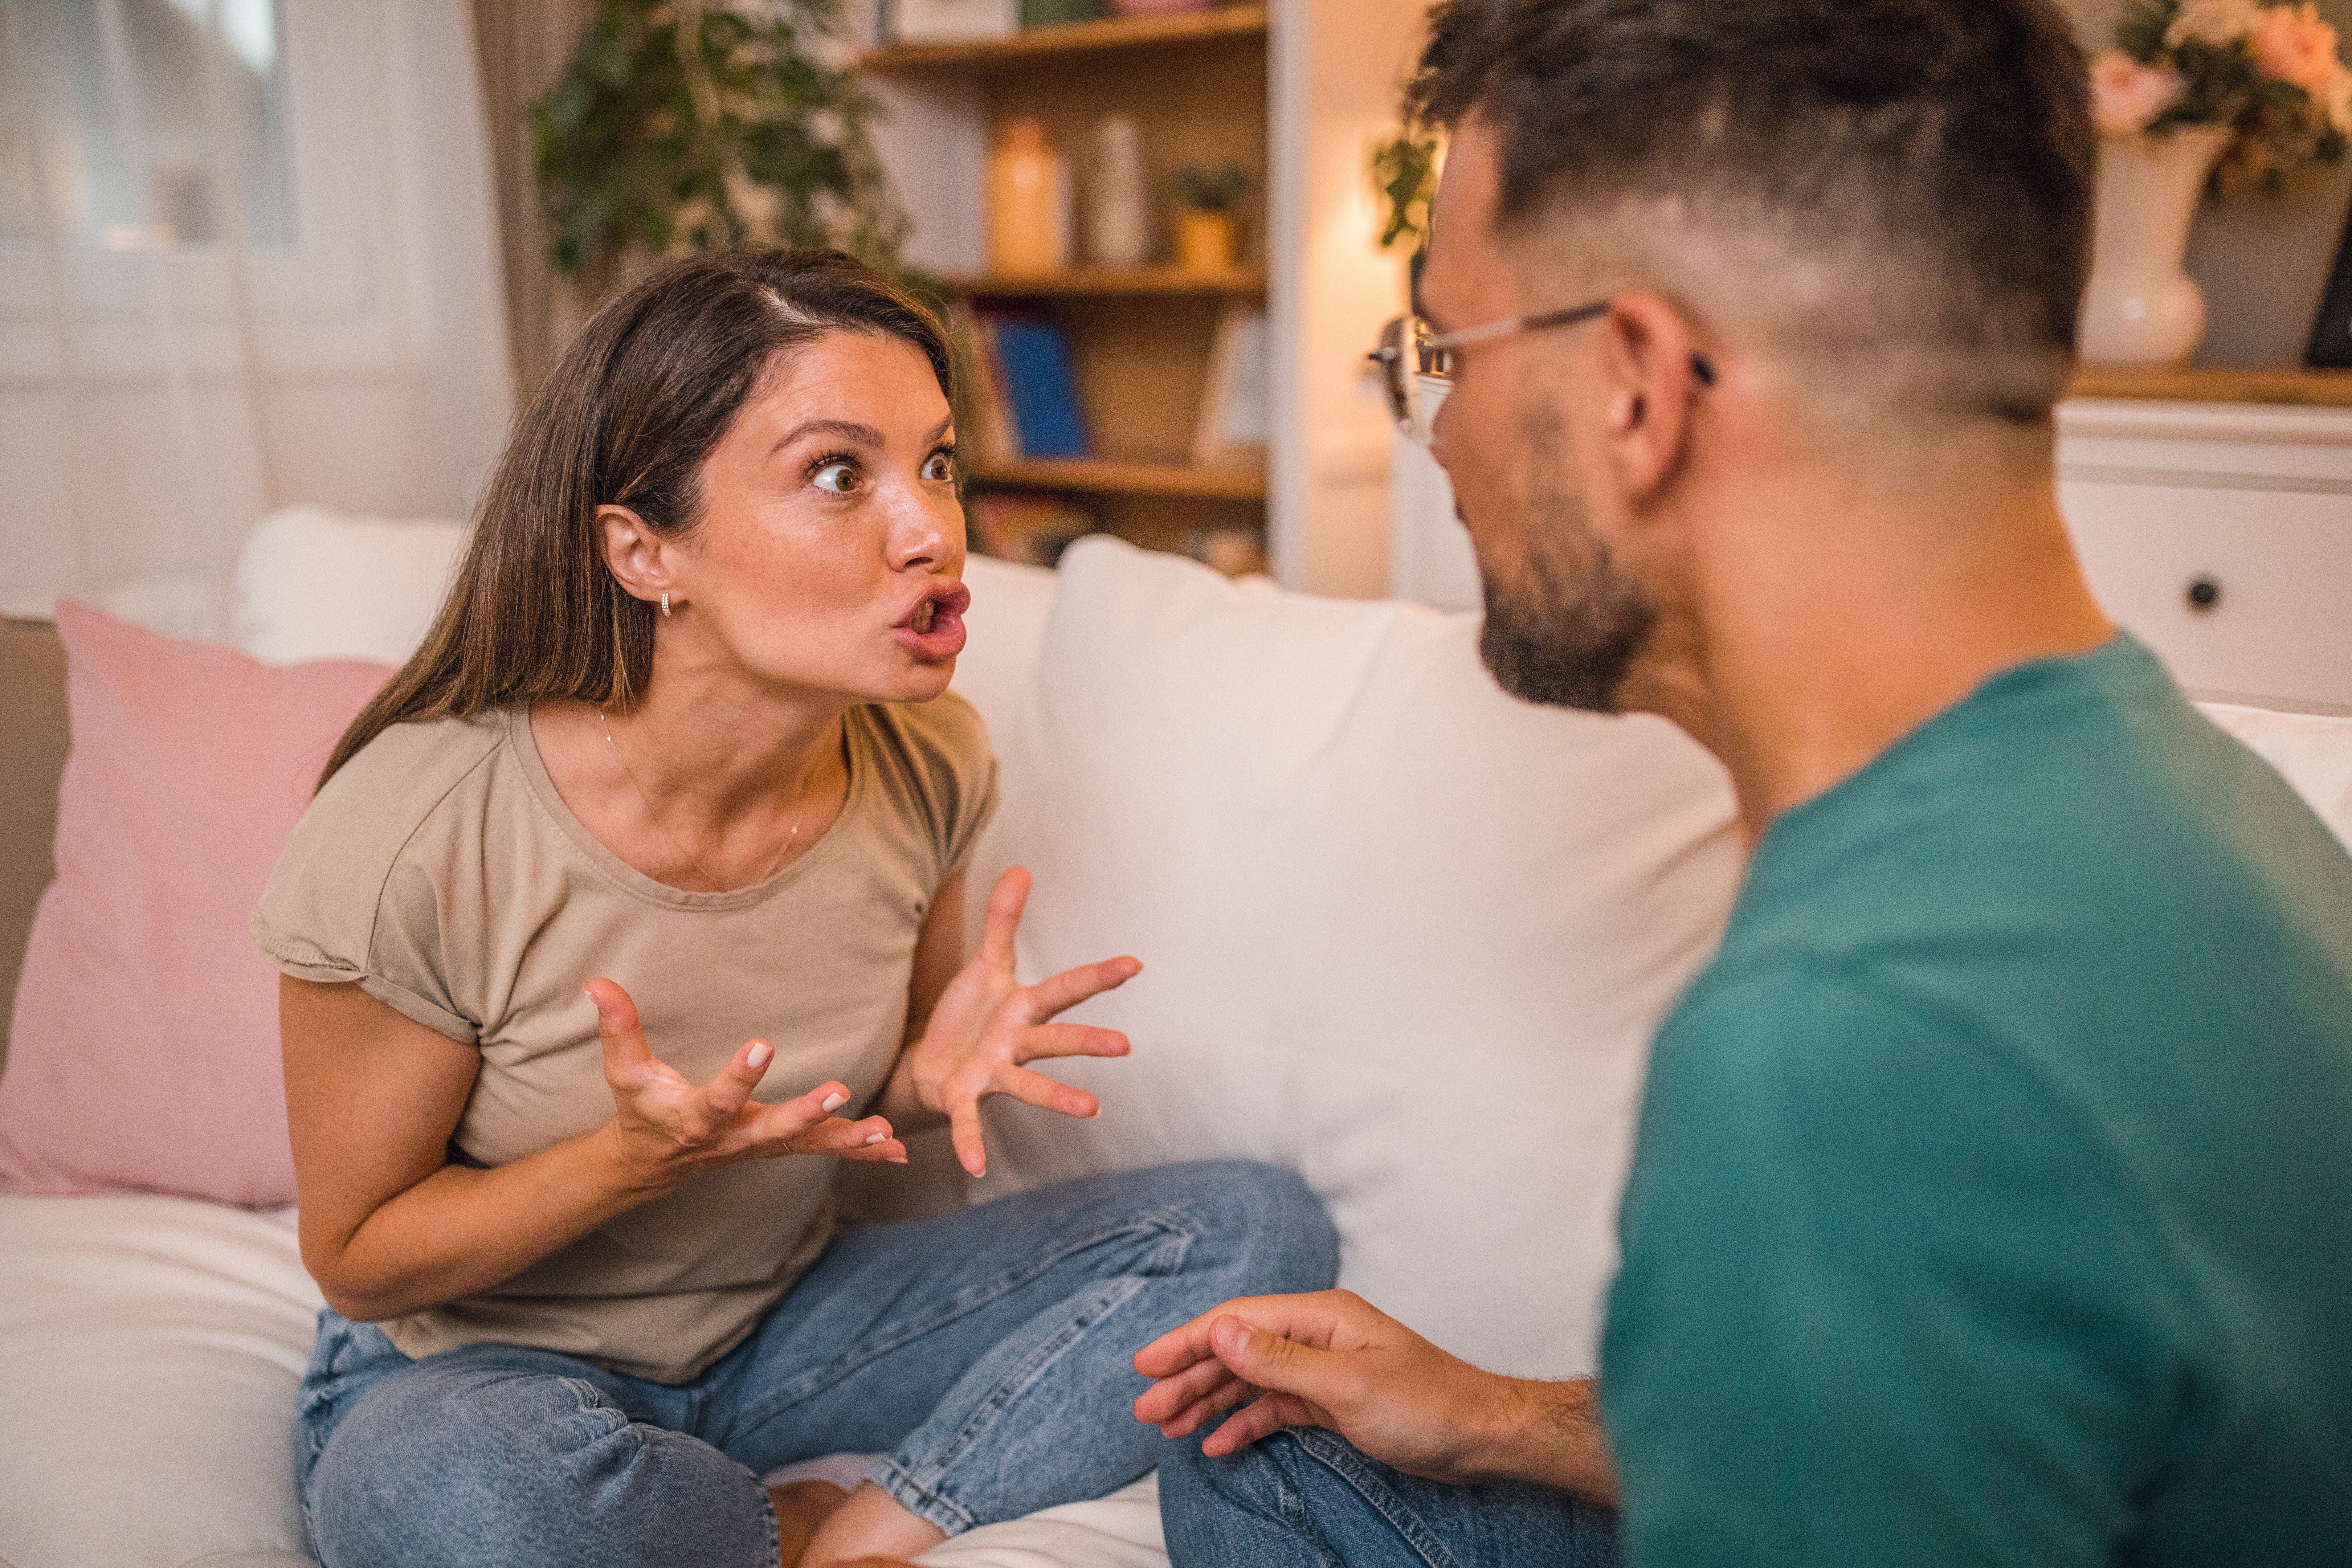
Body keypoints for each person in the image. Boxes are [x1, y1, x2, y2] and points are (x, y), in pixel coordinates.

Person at [1133, 2, 2352, 1564]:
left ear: (1637, 386)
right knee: (1267, 1468)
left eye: (1450, 347)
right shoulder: (2198, 814)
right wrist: (1498, 1412)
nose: (1439, 431)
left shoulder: (1847, 1045)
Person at [253, 247, 1338, 1568]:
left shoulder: (928, 761)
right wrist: (626, 1159)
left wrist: (931, 1083)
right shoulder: (415, 832)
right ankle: (758, 1525)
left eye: (937, 463)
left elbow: (861, 1090)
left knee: (1254, 1234)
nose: (931, 529)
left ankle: (865, 1528)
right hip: (480, 1373)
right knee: (461, 1502)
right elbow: (359, 1259)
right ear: (645, 551)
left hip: (785, 1331)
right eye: (841, 473)